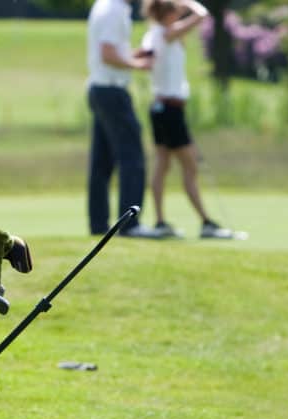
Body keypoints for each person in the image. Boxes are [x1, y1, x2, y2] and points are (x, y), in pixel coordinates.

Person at [141, 0, 247, 240]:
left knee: (163, 164)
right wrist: (187, 2)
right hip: (170, 110)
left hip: (160, 108)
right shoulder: (167, 33)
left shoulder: (153, 35)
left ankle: (160, 221)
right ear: (166, 13)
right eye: (175, 10)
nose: (179, 14)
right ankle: (206, 222)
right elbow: (202, 14)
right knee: (190, 166)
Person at [86, 0, 177, 239]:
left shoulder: (106, 6)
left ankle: (98, 224)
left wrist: (132, 56)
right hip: (113, 91)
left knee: (102, 162)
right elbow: (107, 54)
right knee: (133, 157)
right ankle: (130, 225)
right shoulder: (113, 10)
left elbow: (111, 52)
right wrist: (138, 63)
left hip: (99, 89)